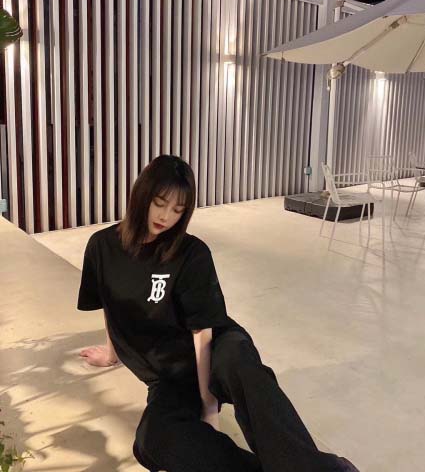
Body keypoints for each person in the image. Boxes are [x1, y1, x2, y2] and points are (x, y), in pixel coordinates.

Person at [78, 154, 360, 472]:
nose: (166, 216)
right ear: (142, 193)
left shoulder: (191, 252)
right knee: (153, 441)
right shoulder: (101, 247)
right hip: (168, 376)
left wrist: (209, 406)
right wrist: (112, 354)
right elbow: (111, 306)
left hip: (216, 345)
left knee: (243, 368)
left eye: (178, 210)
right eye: (160, 203)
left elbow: (203, 331)